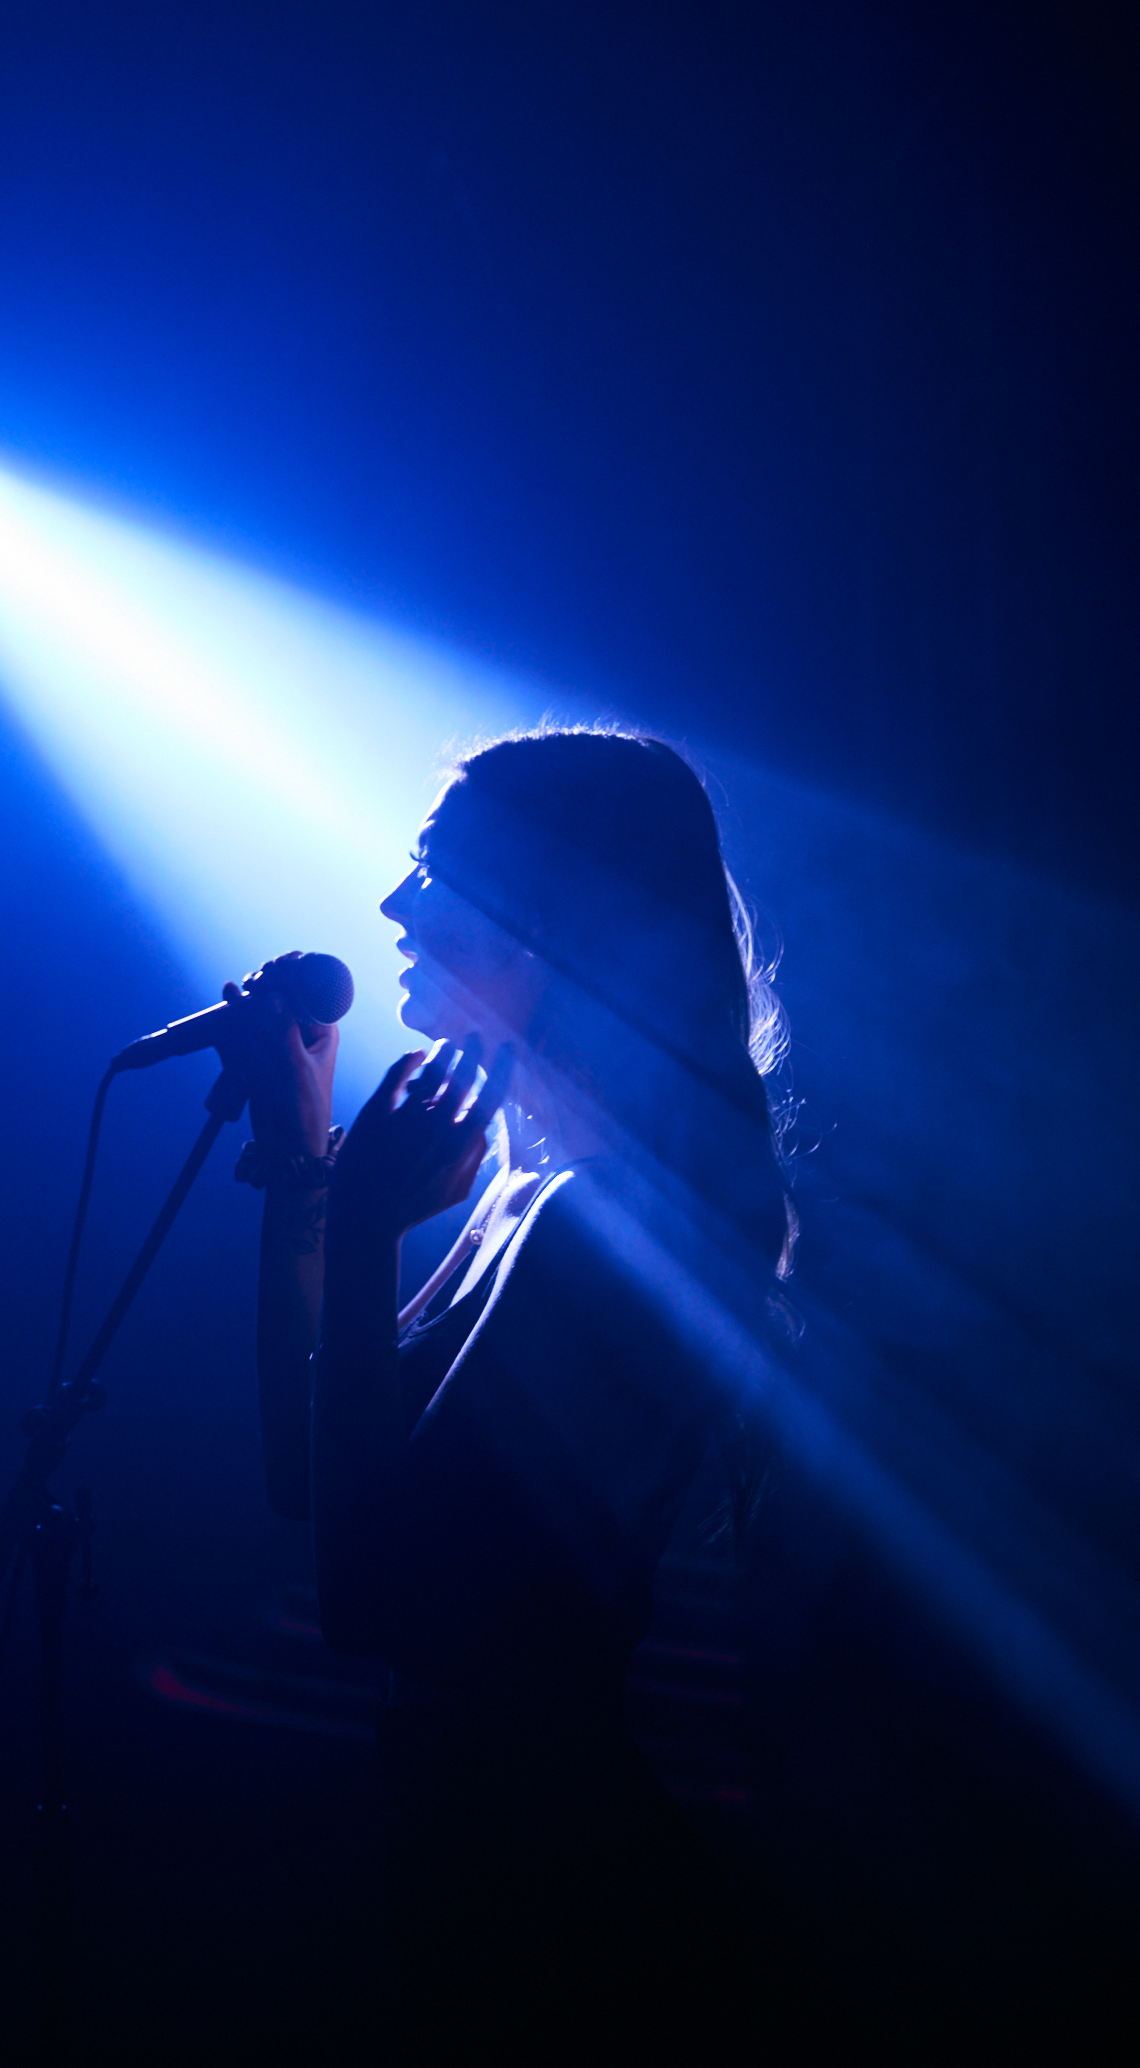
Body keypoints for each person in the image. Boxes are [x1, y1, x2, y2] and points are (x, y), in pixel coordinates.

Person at [227, 728, 792, 2014]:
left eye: (432, 872)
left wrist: (368, 1232)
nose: (389, 906)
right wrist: (306, 1164)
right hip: (486, 1861)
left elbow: (368, 1600)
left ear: (554, 915)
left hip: (569, 1910)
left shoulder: (620, 1225)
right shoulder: (532, 1194)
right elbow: (307, 1475)